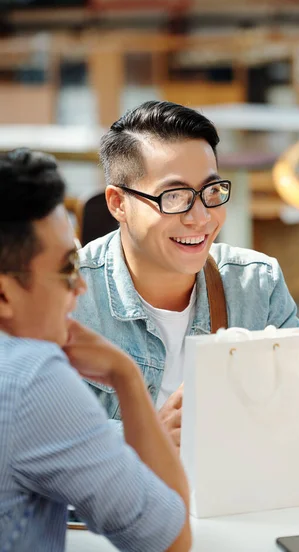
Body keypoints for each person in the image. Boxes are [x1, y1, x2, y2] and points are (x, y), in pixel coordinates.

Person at [73, 100, 299, 448]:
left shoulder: (256, 283)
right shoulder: (66, 295)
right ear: (118, 203)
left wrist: (243, 417)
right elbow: (31, 435)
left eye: (211, 191)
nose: (201, 217)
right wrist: (147, 436)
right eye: (175, 196)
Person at [0, 148, 191, 552]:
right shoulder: (33, 378)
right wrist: (127, 378)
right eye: (68, 267)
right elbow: (172, 539)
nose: (80, 286)